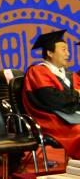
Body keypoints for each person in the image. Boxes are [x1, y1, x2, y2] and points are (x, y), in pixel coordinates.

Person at [23, 29, 80, 159]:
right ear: (50, 53)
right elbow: (52, 99)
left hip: (71, 116)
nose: (68, 53)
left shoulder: (70, 75)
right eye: (63, 50)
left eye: (68, 50)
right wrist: (76, 95)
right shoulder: (38, 71)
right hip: (51, 119)